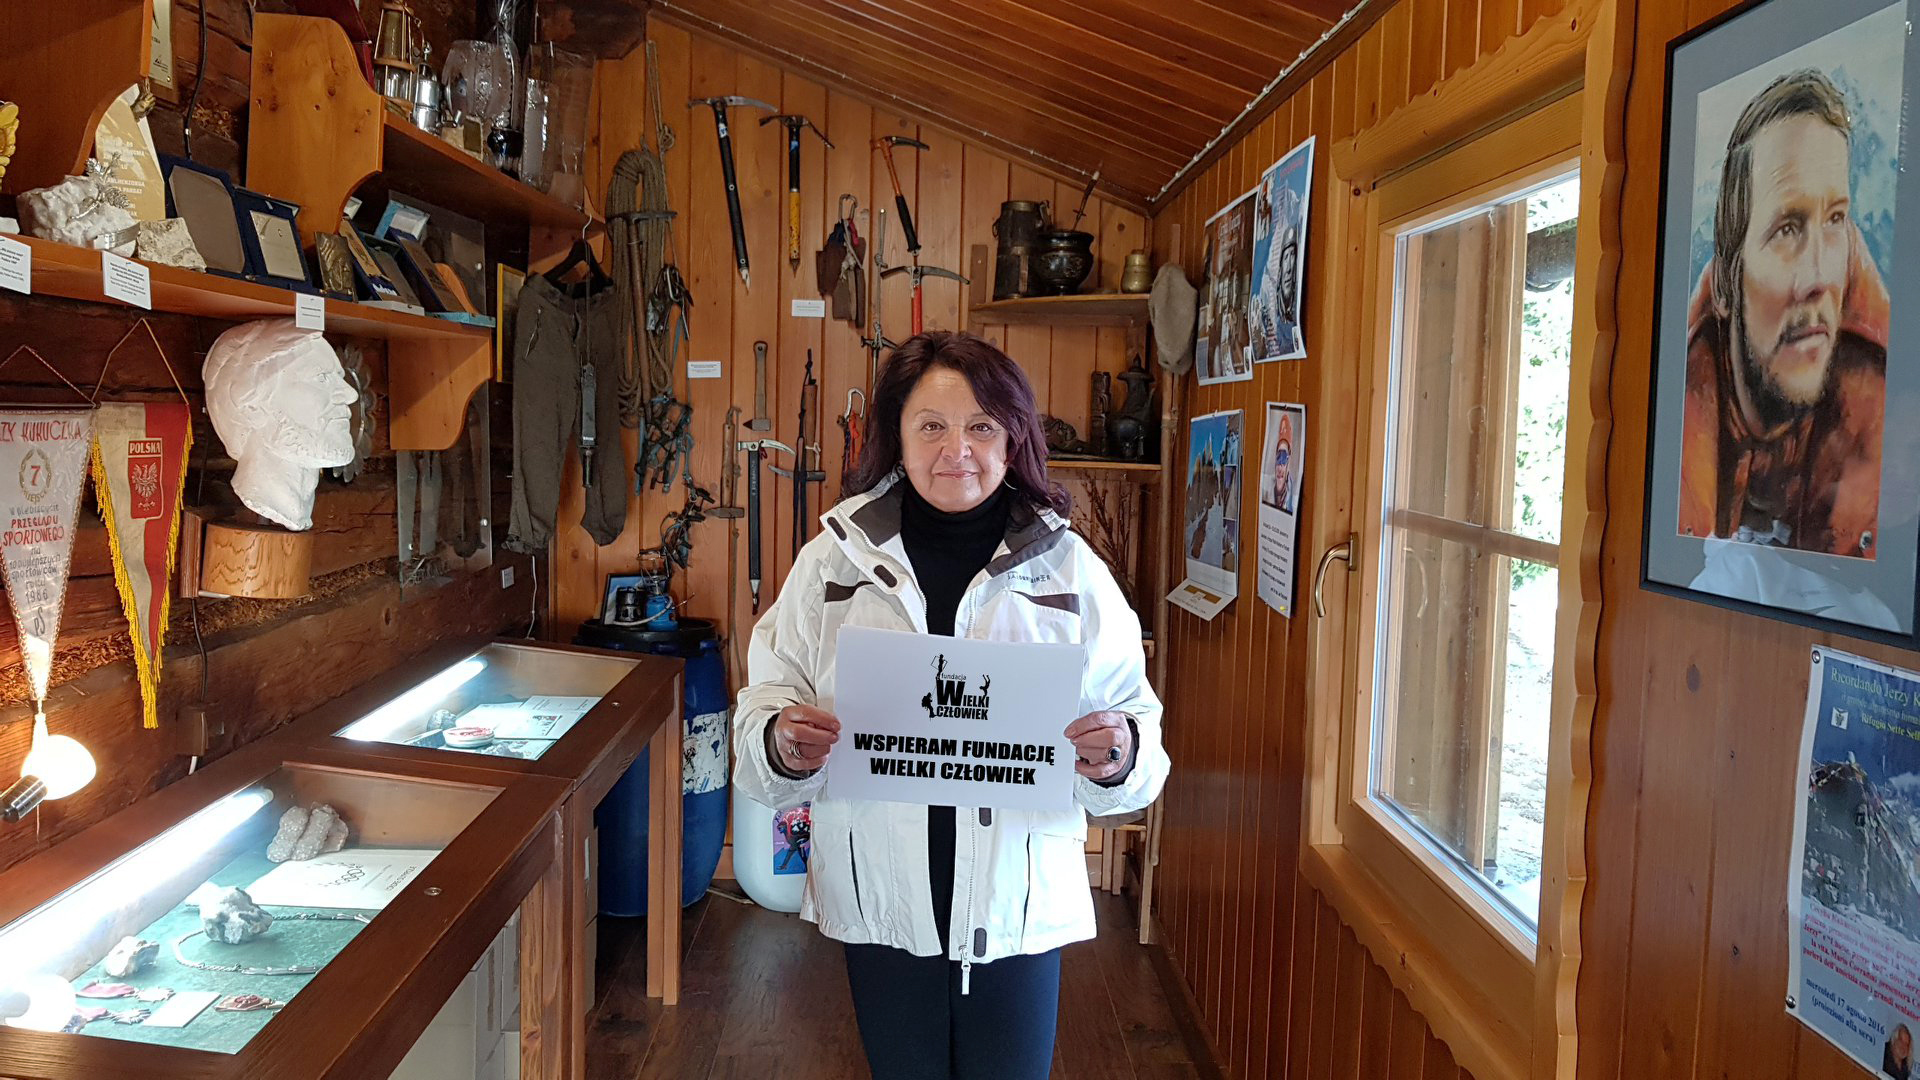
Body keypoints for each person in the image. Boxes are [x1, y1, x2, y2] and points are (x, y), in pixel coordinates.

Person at [733, 331, 1169, 1080]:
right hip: (880, 901)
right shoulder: (834, 560)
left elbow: (1140, 740)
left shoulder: (1067, 568)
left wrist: (1119, 754)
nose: (956, 449)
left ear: (1013, 440)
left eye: (981, 426)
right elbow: (763, 706)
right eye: (931, 425)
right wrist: (779, 742)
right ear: (897, 437)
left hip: (1015, 905)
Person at [1678, 68, 1886, 558]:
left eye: (1835, 220)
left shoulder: (1875, 388)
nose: (1820, 277)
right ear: (1726, 285)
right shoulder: (1684, 394)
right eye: (1787, 229)